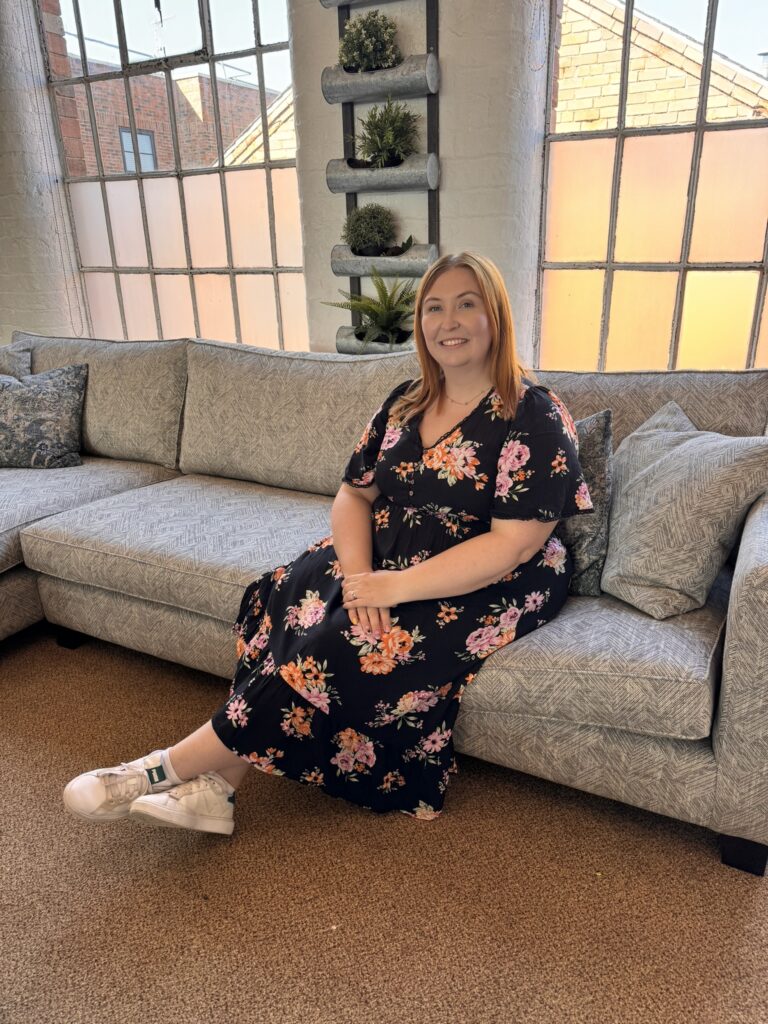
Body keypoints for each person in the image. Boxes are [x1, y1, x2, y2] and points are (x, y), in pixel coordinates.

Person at [63, 251, 595, 835]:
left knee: (353, 643)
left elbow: (514, 544)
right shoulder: (406, 401)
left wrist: (393, 587)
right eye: (434, 308)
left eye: (467, 305)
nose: (449, 322)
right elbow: (353, 496)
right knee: (288, 591)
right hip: (393, 549)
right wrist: (361, 578)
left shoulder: (534, 413)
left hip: (496, 572)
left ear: (495, 315)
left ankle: (161, 770)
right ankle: (218, 788)